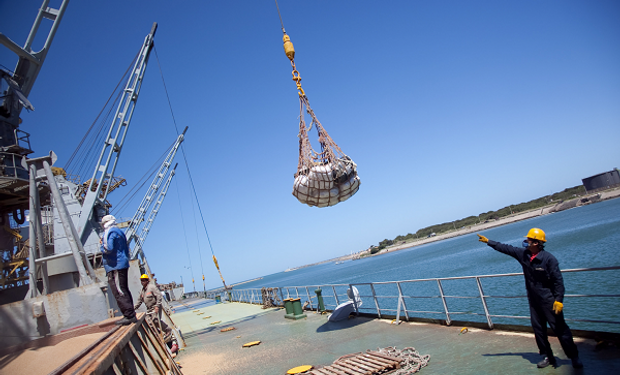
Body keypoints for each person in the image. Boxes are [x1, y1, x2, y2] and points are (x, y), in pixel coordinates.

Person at [477, 228, 583, 369]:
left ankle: (574, 357)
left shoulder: (549, 259)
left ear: (536, 243)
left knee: (560, 329)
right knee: (538, 330)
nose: (526, 241)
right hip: (534, 301)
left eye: (529, 239)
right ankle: (547, 356)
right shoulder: (524, 255)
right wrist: (489, 242)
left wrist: (558, 300)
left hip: (549, 301)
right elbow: (506, 248)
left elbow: (558, 281)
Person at [100, 214, 137, 325]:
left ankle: (129, 316)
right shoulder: (119, 231)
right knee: (124, 289)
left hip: (115, 265)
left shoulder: (109, 232)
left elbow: (109, 248)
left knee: (119, 291)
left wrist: (101, 245)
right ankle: (131, 314)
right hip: (122, 263)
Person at [134, 273, 173, 343]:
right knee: (150, 323)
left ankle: (168, 330)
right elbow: (139, 301)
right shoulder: (142, 291)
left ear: (147, 281)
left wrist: (157, 306)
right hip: (149, 309)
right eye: (141, 281)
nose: (142, 282)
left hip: (155, 307)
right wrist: (132, 309)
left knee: (155, 320)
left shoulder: (151, 287)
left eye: (143, 280)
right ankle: (157, 336)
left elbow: (159, 296)